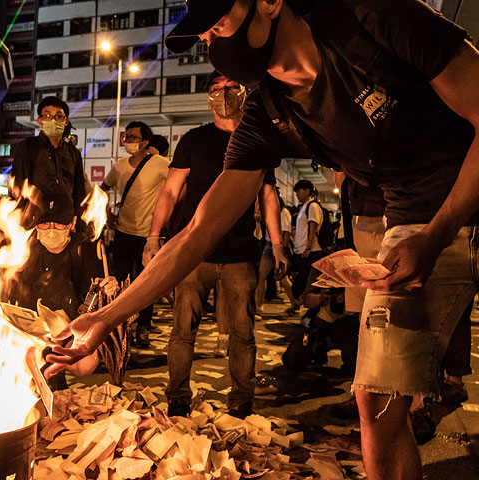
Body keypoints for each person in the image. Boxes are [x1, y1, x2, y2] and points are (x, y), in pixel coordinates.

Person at [46, 2, 479, 478]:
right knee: (376, 397)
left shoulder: (369, 18)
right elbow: (197, 233)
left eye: (219, 25)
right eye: (206, 38)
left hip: (459, 200)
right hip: (414, 221)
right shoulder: (267, 116)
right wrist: (106, 318)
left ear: (269, 3)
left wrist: (439, 234)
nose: (213, 45)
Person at [143, 70, 285, 418]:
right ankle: (177, 398)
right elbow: (170, 192)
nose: (223, 93)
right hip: (193, 253)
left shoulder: (257, 140)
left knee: (242, 334)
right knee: (181, 332)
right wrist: (152, 237)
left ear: (243, 92)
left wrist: (277, 244)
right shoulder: (194, 140)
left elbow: (269, 196)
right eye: (215, 88)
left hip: (240, 255)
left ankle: (241, 402)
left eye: (232, 86)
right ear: (208, 98)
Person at [6, 213, 117, 389]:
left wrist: (108, 289)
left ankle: (55, 374)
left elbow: (95, 297)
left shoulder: (85, 249)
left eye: (57, 223)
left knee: (86, 363)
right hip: (27, 332)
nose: (51, 230)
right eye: (45, 224)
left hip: (66, 332)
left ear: (72, 222)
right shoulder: (22, 247)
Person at [100, 122, 170, 348]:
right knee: (120, 282)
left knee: (145, 284)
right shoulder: (119, 166)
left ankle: (143, 327)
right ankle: (121, 326)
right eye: (126, 137)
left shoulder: (161, 164)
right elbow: (102, 190)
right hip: (123, 232)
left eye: (133, 137)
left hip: (150, 236)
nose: (128, 141)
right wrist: (107, 214)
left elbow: (176, 187)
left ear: (145, 142)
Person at [11, 96, 87, 231]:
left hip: (64, 221)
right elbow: (18, 184)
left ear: (66, 121)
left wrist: (80, 222)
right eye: (47, 115)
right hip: (35, 221)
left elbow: (79, 190)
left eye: (59, 116)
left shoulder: (73, 153)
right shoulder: (28, 147)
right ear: (40, 120)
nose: (53, 120)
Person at [255, 190, 294, 312]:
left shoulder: (283, 213)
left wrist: (283, 250)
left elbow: (286, 233)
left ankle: (295, 301)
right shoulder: (272, 211)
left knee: (282, 278)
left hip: (278, 247)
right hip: (269, 245)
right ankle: (258, 304)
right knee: (264, 276)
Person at [290, 180, 323, 303]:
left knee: (305, 284)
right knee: (299, 283)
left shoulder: (312, 206)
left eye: (299, 191)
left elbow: (313, 227)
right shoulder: (303, 207)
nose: (297, 194)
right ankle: (299, 306)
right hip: (301, 250)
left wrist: (308, 247)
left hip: (310, 251)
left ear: (307, 191)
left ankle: (307, 310)